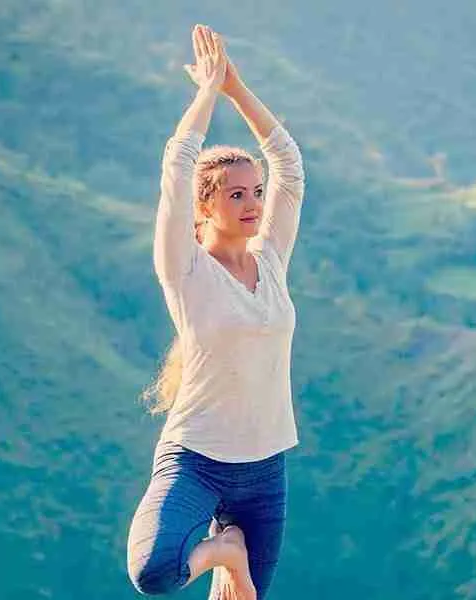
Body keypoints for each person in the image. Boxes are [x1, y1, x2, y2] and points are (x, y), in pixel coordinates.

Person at [126, 24, 305, 600]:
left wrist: (235, 87)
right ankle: (222, 546)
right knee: (154, 573)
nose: (254, 203)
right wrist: (206, 93)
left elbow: (289, 165)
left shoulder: (270, 258)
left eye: (256, 192)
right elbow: (176, 170)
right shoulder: (185, 270)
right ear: (204, 207)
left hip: (265, 465)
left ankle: (229, 546)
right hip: (196, 459)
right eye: (236, 195)